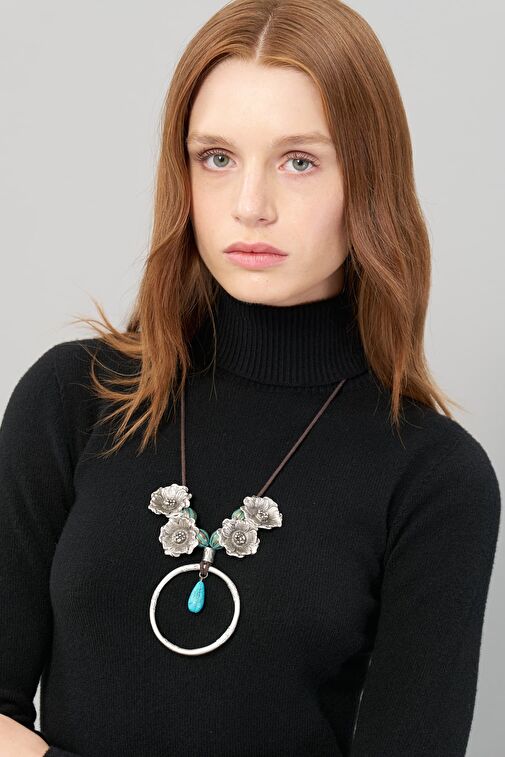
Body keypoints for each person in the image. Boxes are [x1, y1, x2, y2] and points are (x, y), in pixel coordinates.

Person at [0, 1, 500, 755]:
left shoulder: (435, 478)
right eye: (217, 157)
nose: (249, 206)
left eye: (299, 161)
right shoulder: (72, 399)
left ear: (370, 177)